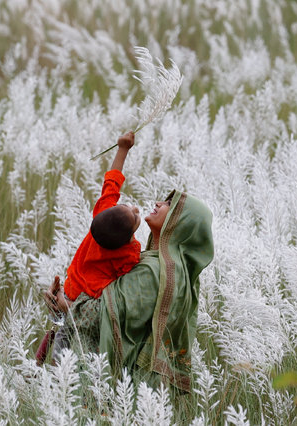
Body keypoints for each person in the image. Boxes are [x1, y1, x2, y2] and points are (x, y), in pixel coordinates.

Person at [44, 189, 214, 393]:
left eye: (169, 204)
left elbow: (103, 315)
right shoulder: (158, 264)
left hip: (115, 388)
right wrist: (64, 299)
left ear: (181, 222)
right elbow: (106, 299)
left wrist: (66, 305)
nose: (159, 203)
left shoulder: (155, 272)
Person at [36, 132, 141, 364]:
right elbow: (129, 271)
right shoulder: (128, 252)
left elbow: (112, 182)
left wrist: (122, 149)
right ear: (129, 237)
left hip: (70, 288)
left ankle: (39, 364)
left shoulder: (102, 213)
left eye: (129, 208)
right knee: (76, 350)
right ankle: (52, 370)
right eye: (135, 216)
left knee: (59, 335)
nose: (135, 208)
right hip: (83, 304)